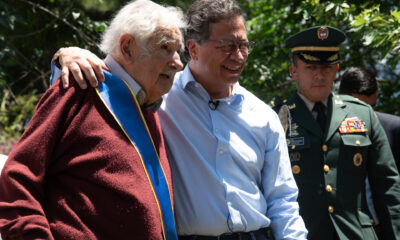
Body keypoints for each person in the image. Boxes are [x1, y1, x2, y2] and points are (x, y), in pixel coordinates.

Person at [48, 0, 308, 239]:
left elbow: (282, 199)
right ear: (193, 48)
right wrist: (66, 57)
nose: (239, 56)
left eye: (244, 46)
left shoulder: (263, 115)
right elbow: (111, 79)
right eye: (228, 46)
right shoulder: (158, 96)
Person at [0, 0, 186, 239]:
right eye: (165, 48)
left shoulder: (149, 108)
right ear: (127, 47)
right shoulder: (78, 90)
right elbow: (18, 178)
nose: (178, 63)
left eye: (178, 51)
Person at [272, 26, 400, 240]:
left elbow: (387, 185)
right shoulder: (275, 118)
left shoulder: (362, 114)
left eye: (327, 67)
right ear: (293, 72)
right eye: (311, 67)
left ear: (337, 69)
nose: (319, 75)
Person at [339, 67, 400, 169]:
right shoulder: (325, 128)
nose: (366, 115)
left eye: (372, 107)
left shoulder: (394, 129)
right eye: (359, 108)